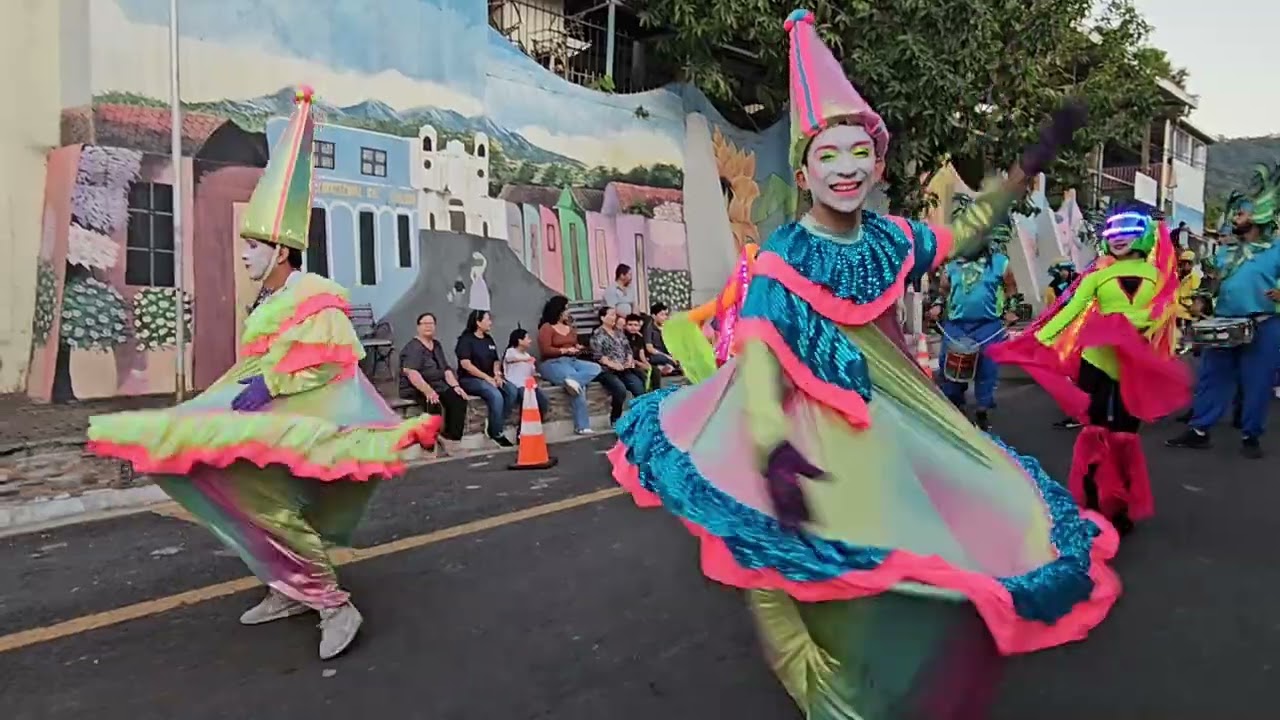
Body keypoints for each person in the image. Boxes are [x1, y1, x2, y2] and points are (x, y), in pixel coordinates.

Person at [605, 11, 1116, 718]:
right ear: (806, 167)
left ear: (877, 165)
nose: (844, 169)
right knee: (788, 559)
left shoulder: (892, 237)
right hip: (799, 429)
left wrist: (1021, 174)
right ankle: (827, 692)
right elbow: (758, 352)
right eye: (827, 155)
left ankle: (856, 685)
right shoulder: (786, 253)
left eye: (858, 154)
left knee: (910, 561)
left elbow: (963, 233)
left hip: (888, 425)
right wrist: (769, 445)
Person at [84, 87, 441, 660]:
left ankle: (331, 602)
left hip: (299, 422)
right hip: (262, 418)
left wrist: (271, 386)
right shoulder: (269, 301)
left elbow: (331, 359)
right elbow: (260, 364)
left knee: (269, 502)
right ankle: (286, 586)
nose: (244, 253)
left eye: (253, 246)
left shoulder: (314, 296)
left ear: (281, 251)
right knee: (230, 485)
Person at [992, 208, 1188, 535]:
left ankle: (1122, 505)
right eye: (1114, 231)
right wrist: (1032, 341)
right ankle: (1092, 501)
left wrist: (1121, 326)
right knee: (1094, 430)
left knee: (1125, 435)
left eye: (1127, 230)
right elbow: (1069, 311)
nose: (1120, 238)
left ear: (1142, 235)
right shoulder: (1097, 275)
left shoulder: (1158, 276)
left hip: (1133, 365)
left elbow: (1161, 312)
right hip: (1096, 362)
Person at [1167, 164, 1280, 460]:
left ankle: (1251, 435)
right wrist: (1202, 301)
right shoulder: (1224, 252)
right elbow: (1210, 285)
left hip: (1264, 325)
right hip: (1224, 324)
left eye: (1240, 214)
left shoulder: (1276, 250)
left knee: (1257, 384)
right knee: (1211, 377)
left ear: (1258, 216)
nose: (1234, 219)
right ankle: (1199, 431)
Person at [928, 217, 1019, 431]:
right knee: (950, 365)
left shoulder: (1000, 262)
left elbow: (1011, 288)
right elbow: (943, 290)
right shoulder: (953, 264)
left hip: (988, 325)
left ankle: (982, 410)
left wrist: (1011, 310)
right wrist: (938, 305)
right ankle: (956, 406)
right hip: (957, 325)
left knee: (987, 367)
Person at [400, 312, 469, 455]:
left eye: (431, 324)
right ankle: (429, 447)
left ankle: (451, 440)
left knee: (458, 399)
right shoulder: (414, 347)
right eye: (425, 323)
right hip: (417, 386)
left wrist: (456, 386)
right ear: (418, 327)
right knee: (433, 405)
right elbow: (411, 372)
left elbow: (446, 370)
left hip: (439, 385)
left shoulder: (436, 345)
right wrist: (428, 391)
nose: (428, 327)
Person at [536, 295, 601, 435]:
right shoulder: (546, 328)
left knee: (595, 368)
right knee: (578, 387)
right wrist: (564, 350)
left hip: (572, 360)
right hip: (553, 362)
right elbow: (545, 350)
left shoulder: (569, 327)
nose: (568, 312)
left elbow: (573, 343)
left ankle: (573, 380)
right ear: (558, 310)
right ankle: (582, 426)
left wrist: (578, 348)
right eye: (566, 309)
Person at [455, 310, 521, 447]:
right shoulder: (466, 340)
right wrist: (487, 378)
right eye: (487, 319)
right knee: (495, 395)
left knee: (512, 391)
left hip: (490, 377)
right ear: (478, 322)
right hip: (470, 379)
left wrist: (497, 375)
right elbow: (466, 364)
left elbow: (495, 361)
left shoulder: (488, 339)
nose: (490, 322)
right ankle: (495, 432)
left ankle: (495, 422)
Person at [591, 306, 646, 422]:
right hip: (607, 371)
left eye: (614, 315)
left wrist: (629, 360)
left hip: (624, 369)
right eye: (611, 315)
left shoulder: (619, 332)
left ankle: (639, 419)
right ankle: (615, 418)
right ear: (602, 318)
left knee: (639, 388)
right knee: (620, 390)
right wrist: (613, 365)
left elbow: (628, 349)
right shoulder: (597, 334)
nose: (614, 317)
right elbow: (598, 356)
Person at [502, 328, 550, 423]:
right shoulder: (511, 351)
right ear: (520, 340)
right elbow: (511, 358)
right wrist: (528, 359)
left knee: (543, 399)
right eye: (527, 338)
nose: (530, 341)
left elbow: (531, 371)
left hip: (529, 384)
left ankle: (539, 418)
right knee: (526, 400)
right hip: (516, 383)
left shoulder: (527, 355)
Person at [643, 302, 681, 378]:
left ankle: (668, 367)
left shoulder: (667, 327)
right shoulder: (649, 329)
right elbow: (650, 349)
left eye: (666, 315)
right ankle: (669, 367)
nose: (665, 317)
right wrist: (667, 356)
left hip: (667, 354)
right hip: (656, 355)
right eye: (662, 315)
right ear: (654, 316)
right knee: (666, 359)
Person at [623, 313, 655, 389]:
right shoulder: (623, 337)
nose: (633, 327)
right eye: (630, 325)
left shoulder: (639, 337)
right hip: (628, 364)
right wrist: (638, 363)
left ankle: (655, 392)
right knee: (642, 374)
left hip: (637, 362)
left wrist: (646, 363)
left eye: (636, 325)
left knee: (654, 370)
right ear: (625, 326)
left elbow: (641, 352)